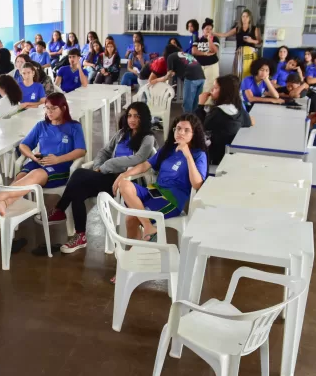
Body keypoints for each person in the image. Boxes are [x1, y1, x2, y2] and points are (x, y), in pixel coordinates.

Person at [45, 102, 156, 254]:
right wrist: (98, 165)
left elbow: (137, 159)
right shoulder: (122, 133)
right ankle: (80, 236)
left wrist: (105, 166)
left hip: (124, 182)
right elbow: (104, 151)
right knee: (78, 192)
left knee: (78, 174)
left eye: (136, 116)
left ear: (144, 118)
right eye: (130, 115)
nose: (132, 119)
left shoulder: (148, 138)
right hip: (106, 177)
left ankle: (59, 209)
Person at [114, 114, 207, 243]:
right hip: (154, 190)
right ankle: (147, 229)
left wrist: (187, 155)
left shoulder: (199, 155)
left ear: (194, 134)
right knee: (124, 184)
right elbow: (146, 165)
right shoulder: (168, 149)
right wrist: (123, 175)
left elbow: (197, 184)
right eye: (178, 128)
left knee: (131, 218)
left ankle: (139, 246)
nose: (181, 132)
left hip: (172, 199)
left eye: (186, 130)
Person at [0, 93, 87, 216]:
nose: (49, 111)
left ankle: (2, 194)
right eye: (47, 108)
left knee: (36, 174)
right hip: (39, 161)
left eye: (54, 108)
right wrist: (33, 157)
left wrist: (58, 159)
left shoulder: (74, 127)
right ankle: (5, 203)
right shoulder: (41, 125)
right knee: (20, 177)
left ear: (63, 108)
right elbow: (24, 145)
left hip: (60, 166)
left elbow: (81, 150)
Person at [195, 75, 253, 165]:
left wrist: (200, 105)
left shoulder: (218, 112)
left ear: (224, 92)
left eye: (215, 88)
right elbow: (248, 122)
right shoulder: (238, 107)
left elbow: (199, 126)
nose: (211, 90)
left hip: (216, 155)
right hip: (230, 151)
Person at [216, 9, 262, 78]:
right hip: (239, 54)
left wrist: (251, 40)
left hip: (250, 55)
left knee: (249, 72)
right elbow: (225, 34)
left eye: (247, 16)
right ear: (241, 18)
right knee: (238, 73)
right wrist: (213, 33)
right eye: (243, 16)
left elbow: (259, 41)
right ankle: (239, 87)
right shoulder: (237, 29)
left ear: (250, 18)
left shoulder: (255, 29)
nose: (245, 18)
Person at [161, 44, 206, 113]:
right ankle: (194, 122)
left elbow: (169, 74)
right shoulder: (185, 54)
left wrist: (162, 80)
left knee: (187, 105)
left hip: (191, 77)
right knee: (195, 105)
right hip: (202, 77)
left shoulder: (170, 56)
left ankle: (187, 121)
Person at [192, 18, 220, 94]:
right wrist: (205, 53)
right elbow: (194, 51)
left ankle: (208, 104)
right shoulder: (198, 39)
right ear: (203, 30)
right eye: (207, 28)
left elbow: (214, 50)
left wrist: (209, 40)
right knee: (199, 85)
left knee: (211, 85)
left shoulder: (215, 39)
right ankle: (199, 103)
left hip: (211, 65)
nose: (208, 30)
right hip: (199, 65)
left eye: (210, 29)